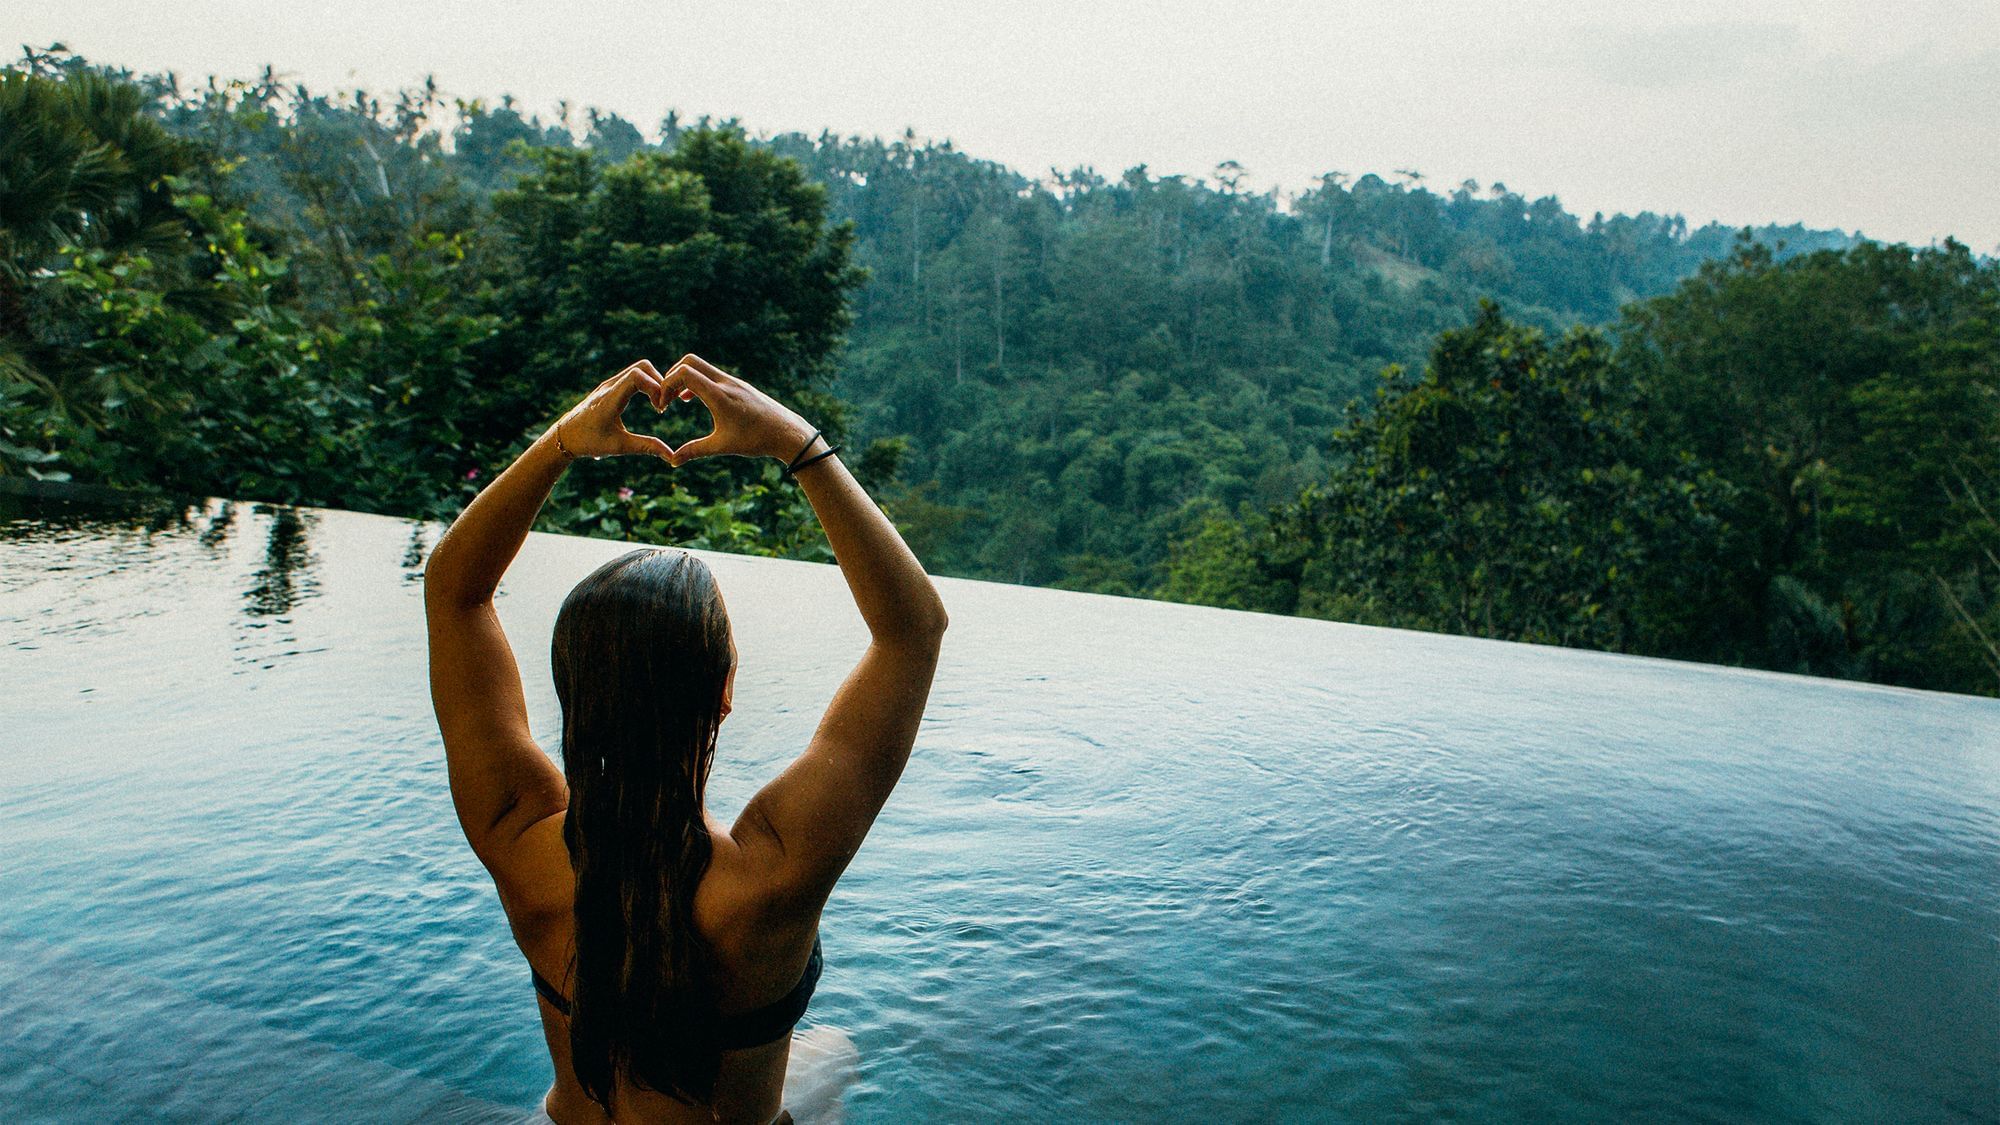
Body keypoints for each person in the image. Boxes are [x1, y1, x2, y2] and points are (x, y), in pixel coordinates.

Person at [424, 354, 947, 1124]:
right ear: (724, 693)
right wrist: (798, 445)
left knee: (826, 1053)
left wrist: (561, 444)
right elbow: (912, 630)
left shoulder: (518, 834)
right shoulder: (773, 870)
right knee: (835, 1050)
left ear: (573, 694)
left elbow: (453, 589)